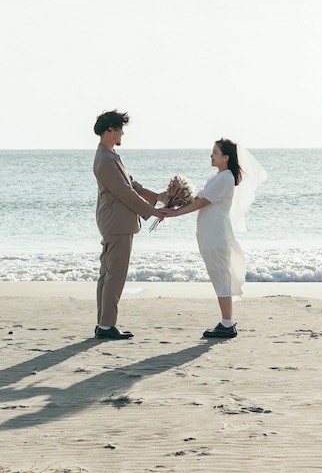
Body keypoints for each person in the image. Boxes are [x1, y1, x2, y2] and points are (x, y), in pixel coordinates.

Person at [161, 138, 266, 339]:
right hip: (208, 234)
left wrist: (174, 214)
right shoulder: (216, 177)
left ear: (226, 157)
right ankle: (226, 322)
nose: (211, 155)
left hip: (217, 234)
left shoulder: (226, 178)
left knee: (221, 275)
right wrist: (173, 199)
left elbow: (200, 203)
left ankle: (227, 323)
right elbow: (195, 200)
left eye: (215, 152)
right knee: (218, 275)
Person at [92, 110, 165, 340]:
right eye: (120, 128)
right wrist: (152, 211)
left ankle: (103, 323)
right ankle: (106, 326)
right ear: (110, 130)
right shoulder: (104, 160)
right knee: (114, 275)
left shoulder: (111, 155)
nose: (123, 133)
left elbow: (132, 184)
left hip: (116, 222)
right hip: (117, 223)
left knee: (109, 273)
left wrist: (159, 197)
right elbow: (125, 192)